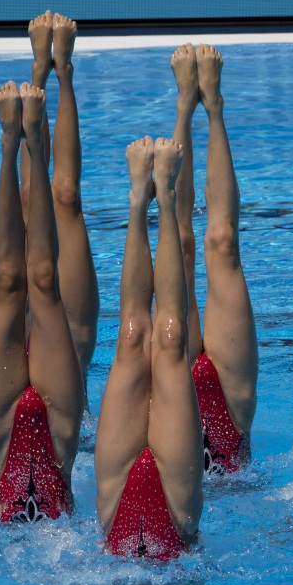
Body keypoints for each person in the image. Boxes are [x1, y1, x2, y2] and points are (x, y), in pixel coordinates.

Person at [0, 81, 84, 523]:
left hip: (28, 438)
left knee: (30, 280)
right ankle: (19, 141)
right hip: (37, 437)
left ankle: (28, 141)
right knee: (23, 280)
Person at [95, 136, 203, 560]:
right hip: (176, 517)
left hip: (128, 512)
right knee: (159, 340)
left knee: (142, 336)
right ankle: (154, 197)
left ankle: (148, 198)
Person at [169, 44, 258, 475]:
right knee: (185, 242)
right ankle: (186, 104)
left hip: (229, 423)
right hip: (184, 407)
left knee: (220, 241)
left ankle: (210, 106)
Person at [23, 11, 99, 395]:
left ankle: (53, 71)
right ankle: (46, 72)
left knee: (60, 197)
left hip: (68, 351)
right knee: (49, 199)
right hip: (49, 346)